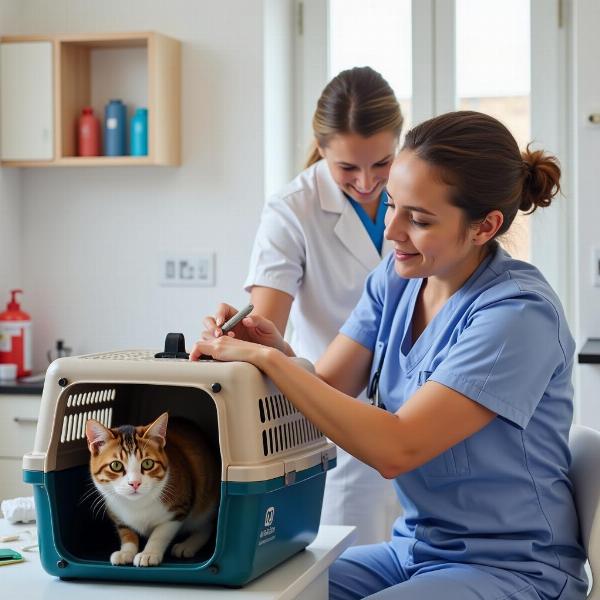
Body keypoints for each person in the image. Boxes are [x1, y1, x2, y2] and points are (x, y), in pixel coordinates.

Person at [192, 110, 587, 599]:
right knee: (268, 592)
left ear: (485, 226)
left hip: (512, 568)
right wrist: (271, 348)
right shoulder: (397, 284)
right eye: (392, 204)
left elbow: (396, 448)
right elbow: (328, 388)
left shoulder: (516, 317)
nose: (392, 230)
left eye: (418, 219)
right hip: (414, 552)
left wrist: (272, 365)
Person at [225, 66, 403, 545]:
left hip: (418, 417)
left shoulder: (418, 196)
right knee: (345, 568)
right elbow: (264, 323)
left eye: (382, 163)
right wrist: (245, 341)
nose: (367, 182)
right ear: (321, 148)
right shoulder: (292, 209)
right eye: (347, 168)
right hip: (338, 418)